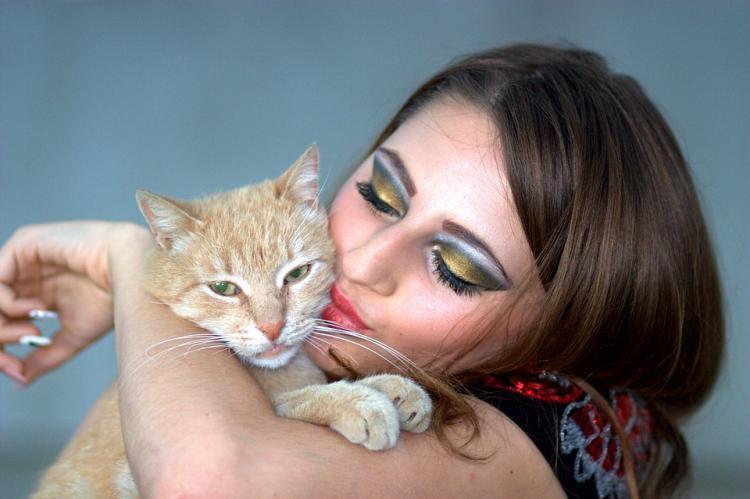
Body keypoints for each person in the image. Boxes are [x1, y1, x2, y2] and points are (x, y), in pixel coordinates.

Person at [0, 44, 723, 498]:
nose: (363, 265)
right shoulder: (329, 360)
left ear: (568, 322)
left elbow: (209, 480)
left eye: (456, 265)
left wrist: (128, 259)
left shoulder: (574, 425)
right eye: (380, 195)